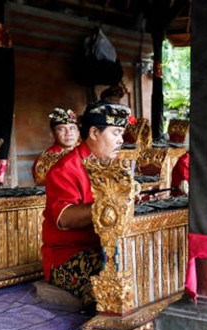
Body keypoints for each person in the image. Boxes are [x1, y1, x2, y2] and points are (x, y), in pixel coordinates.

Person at [42, 101, 135, 308]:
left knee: (138, 265)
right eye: (116, 133)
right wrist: (108, 207)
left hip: (105, 247)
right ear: (94, 133)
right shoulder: (65, 168)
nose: (121, 140)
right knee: (113, 280)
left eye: (121, 134)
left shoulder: (114, 165)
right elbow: (63, 218)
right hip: (68, 257)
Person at [32, 107, 80, 185]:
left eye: (72, 128)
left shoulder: (89, 152)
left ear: (78, 132)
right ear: (52, 134)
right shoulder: (45, 160)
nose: (68, 133)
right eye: (62, 129)